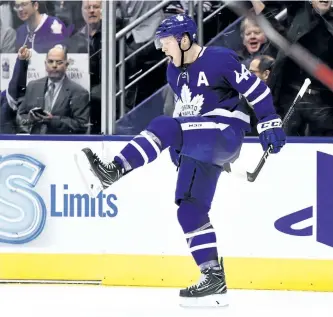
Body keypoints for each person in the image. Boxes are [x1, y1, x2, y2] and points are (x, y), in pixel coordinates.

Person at [77, 14, 286, 307]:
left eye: (166, 42)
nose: (162, 48)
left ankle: (115, 169)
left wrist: (269, 120)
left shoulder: (220, 59)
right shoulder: (173, 71)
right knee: (189, 209)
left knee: (162, 124)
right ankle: (212, 277)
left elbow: (257, 89)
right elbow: (184, 110)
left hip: (224, 134)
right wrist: (177, 144)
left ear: (185, 40)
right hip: (197, 139)